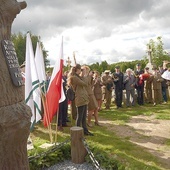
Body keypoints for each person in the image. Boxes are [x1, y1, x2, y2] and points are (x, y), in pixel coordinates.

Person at [67, 64, 93, 136]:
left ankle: (85, 131)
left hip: (83, 98)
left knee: (84, 116)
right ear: (77, 70)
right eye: (80, 70)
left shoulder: (77, 77)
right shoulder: (74, 78)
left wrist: (83, 75)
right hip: (80, 98)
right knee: (80, 116)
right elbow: (85, 84)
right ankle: (77, 132)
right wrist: (84, 75)